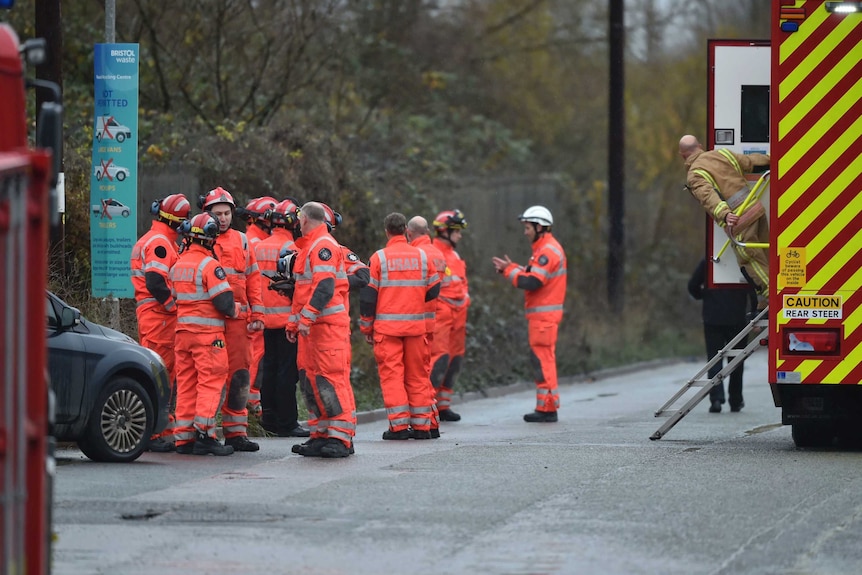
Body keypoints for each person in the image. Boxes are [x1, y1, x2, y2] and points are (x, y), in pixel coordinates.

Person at [360, 213, 441, 440]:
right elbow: (434, 288)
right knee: (417, 377)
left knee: (392, 377)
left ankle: (398, 428)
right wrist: (414, 298)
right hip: (416, 328)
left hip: (387, 331)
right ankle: (422, 427)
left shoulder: (379, 258)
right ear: (406, 230)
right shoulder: (423, 257)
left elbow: (368, 297)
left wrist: (367, 328)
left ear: (387, 231)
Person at [286, 202, 355, 458]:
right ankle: (320, 433)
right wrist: (294, 323)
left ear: (304, 219)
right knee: (310, 382)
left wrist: (305, 319)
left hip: (326, 329)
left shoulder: (323, 245)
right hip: (311, 330)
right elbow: (302, 292)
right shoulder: (308, 248)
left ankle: (340, 437)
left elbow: (325, 287)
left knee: (331, 380)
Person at [200, 186, 265, 452]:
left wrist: (258, 312)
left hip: (239, 321)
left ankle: (236, 433)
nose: (223, 218)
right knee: (211, 376)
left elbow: (253, 277)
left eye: (227, 213)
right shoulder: (200, 239)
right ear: (208, 214)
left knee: (239, 375)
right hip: (211, 320)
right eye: (218, 214)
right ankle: (205, 432)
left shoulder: (242, 240)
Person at [170, 213, 238, 456]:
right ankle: (205, 433)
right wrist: (237, 309)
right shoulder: (210, 265)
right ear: (209, 238)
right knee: (212, 381)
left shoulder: (178, 265)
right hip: (208, 335)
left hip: (183, 334)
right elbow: (224, 302)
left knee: (187, 383)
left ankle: (184, 438)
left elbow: (176, 297)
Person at [492, 205, 567, 422]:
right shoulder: (544, 249)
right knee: (542, 361)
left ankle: (548, 409)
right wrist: (513, 266)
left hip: (543, 319)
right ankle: (545, 408)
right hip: (543, 318)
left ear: (539, 227)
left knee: (542, 362)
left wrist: (508, 271)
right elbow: (531, 273)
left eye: (527, 227)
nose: (525, 232)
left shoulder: (547, 251)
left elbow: (532, 282)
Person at [130, 193, 190, 452]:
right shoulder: (160, 243)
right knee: (162, 375)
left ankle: (163, 428)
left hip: (154, 317)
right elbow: (155, 281)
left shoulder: (156, 239)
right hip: (160, 319)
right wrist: (174, 308)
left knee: (162, 373)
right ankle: (157, 433)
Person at [678, 135, 771, 297]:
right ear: (700, 145)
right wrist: (774, 159)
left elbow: (708, 197)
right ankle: (765, 302)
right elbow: (751, 162)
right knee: (766, 257)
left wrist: (725, 214)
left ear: (682, 155)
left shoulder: (695, 174)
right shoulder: (722, 154)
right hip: (756, 210)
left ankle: (774, 297)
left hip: (739, 219)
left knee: (750, 260)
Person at [254, 199, 310, 437]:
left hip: (264, 320)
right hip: (287, 321)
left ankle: (269, 418)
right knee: (287, 373)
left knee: (268, 368)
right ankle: (287, 422)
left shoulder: (256, 248)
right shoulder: (294, 250)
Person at [688, 258, 755, 413]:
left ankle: (716, 399)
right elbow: (753, 288)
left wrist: (704, 295)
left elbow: (692, 286)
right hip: (737, 318)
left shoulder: (708, 263)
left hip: (712, 318)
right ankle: (735, 400)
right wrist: (753, 312)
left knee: (714, 360)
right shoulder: (741, 262)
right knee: (736, 361)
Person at [406, 215, 447, 438]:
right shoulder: (438, 254)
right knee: (424, 372)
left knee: (418, 375)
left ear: (410, 233)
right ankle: (430, 420)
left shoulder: (419, 255)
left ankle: (428, 422)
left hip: (415, 322)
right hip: (433, 319)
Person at [238, 196, 277, 416]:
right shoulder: (257, 244)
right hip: (254, 311)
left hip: (249, 310)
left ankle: (250, 403)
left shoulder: (247, 240)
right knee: (254, 357)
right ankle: (251, 404)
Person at [430, 209, 470, 422]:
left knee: (455, 359)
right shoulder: (433, 253)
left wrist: (465, 299)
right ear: (444, 231)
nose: (460, 235)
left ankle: (443, 405)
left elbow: (461, 282)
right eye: (457, 231)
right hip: (442, 313)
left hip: (459, 314)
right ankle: (428, 404)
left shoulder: (454, 255)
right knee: (439, 358)